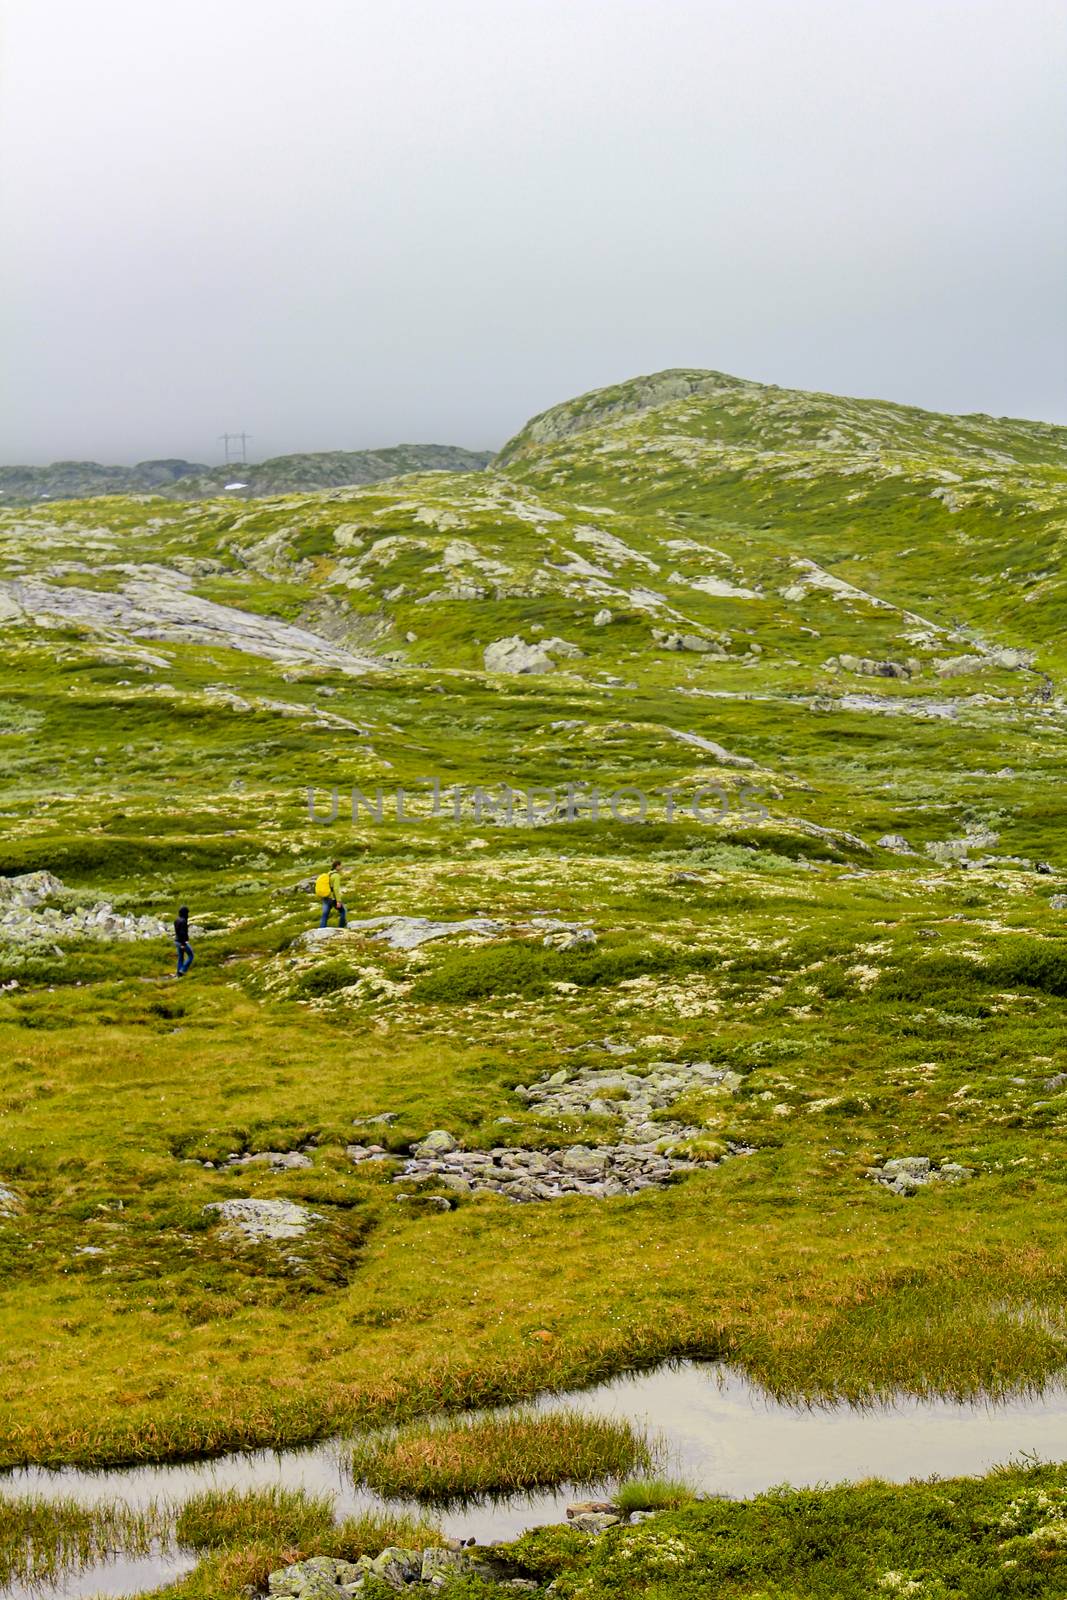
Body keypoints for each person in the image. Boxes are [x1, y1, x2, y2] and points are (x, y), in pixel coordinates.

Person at [318, 860, 347, 928]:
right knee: (343, 911)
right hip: (332, 898)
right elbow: (336, 889)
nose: (341, 867)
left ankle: (322, 928)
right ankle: (341, 927)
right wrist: (338, 901)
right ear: (337, 866)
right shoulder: (336, 875)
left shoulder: (328, 874)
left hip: (326, 897)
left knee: (325, 914)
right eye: (340, 865)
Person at [174, 905, 194, 977]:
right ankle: (183, 970)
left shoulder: (177, 920)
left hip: (176, 941)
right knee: (191, 956)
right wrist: (183, 943)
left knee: (180, 957)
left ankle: (178, 973)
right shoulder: (183, 921)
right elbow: (182, 933)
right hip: (181, 942)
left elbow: (178, 931)